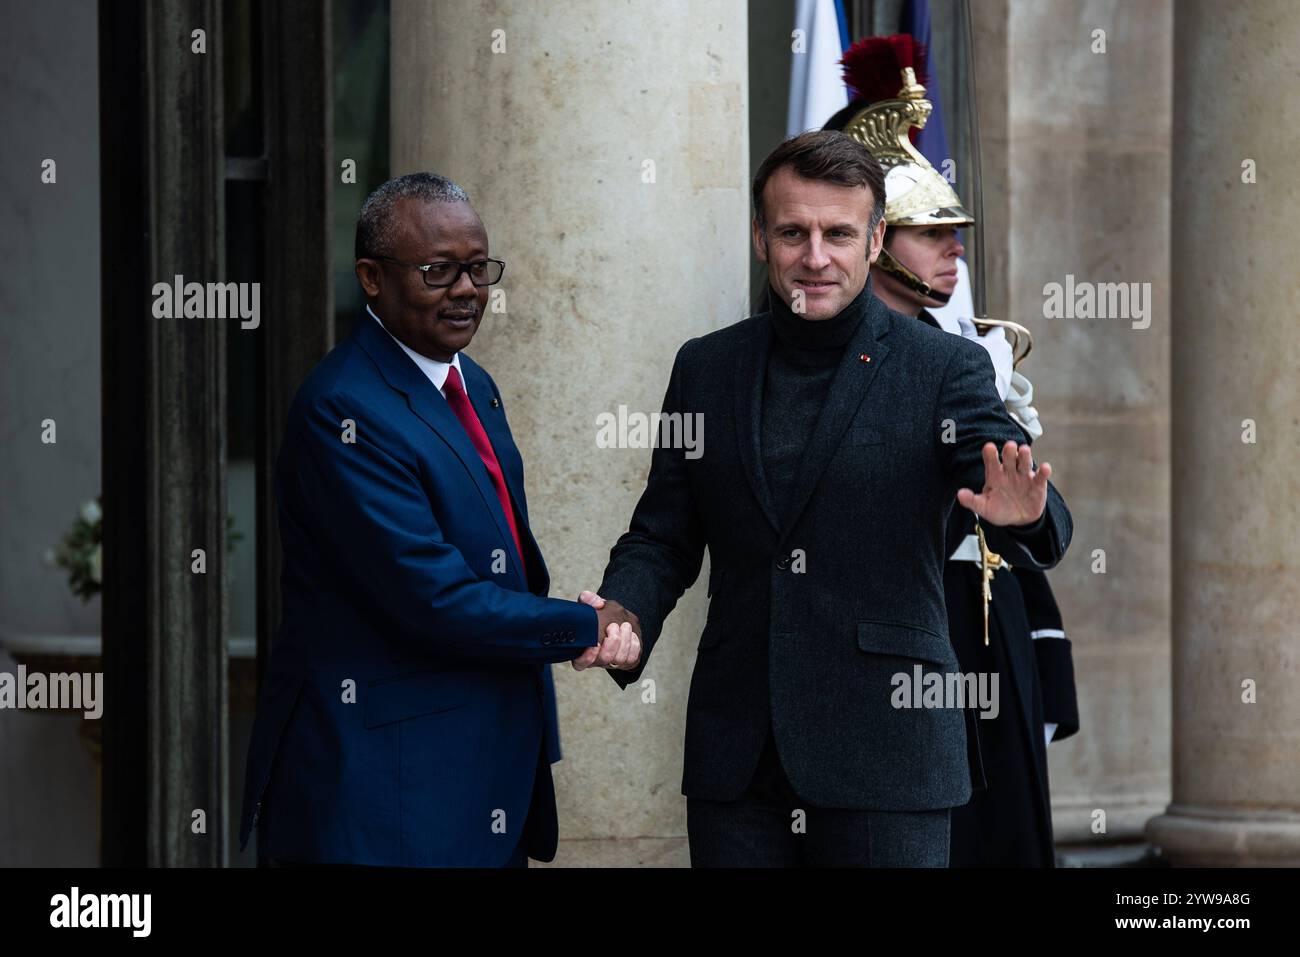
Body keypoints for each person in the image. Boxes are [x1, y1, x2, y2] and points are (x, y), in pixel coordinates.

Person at [582, 130, 1073, 867]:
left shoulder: (945, 369)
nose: (815, 256)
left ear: (875, 240)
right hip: (737, 763)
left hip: (889, 757)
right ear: (760, 237)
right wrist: (625, 610)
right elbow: (664, 535)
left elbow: (1022, 490)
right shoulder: (706, 368)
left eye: (838, 233)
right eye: (793, 232)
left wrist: (1028, 514)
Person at [237, 172, 640, 868]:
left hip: (479, 776)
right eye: (438, 270)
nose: (466, 289)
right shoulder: (344, 410)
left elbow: (504, 557)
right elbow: (436, 598)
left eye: (478, 268)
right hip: (387, 794)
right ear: (370, 277)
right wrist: (585, 626)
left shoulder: (470, 381)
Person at [829, 36, 1081, 866]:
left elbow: (1039, 520)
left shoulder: (970, 356)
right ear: (876, 241)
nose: (955, 248)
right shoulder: (815, 354)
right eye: (930, 232)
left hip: (982, 628)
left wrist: (1031, 513)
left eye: (954, 230)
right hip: (881, 646)